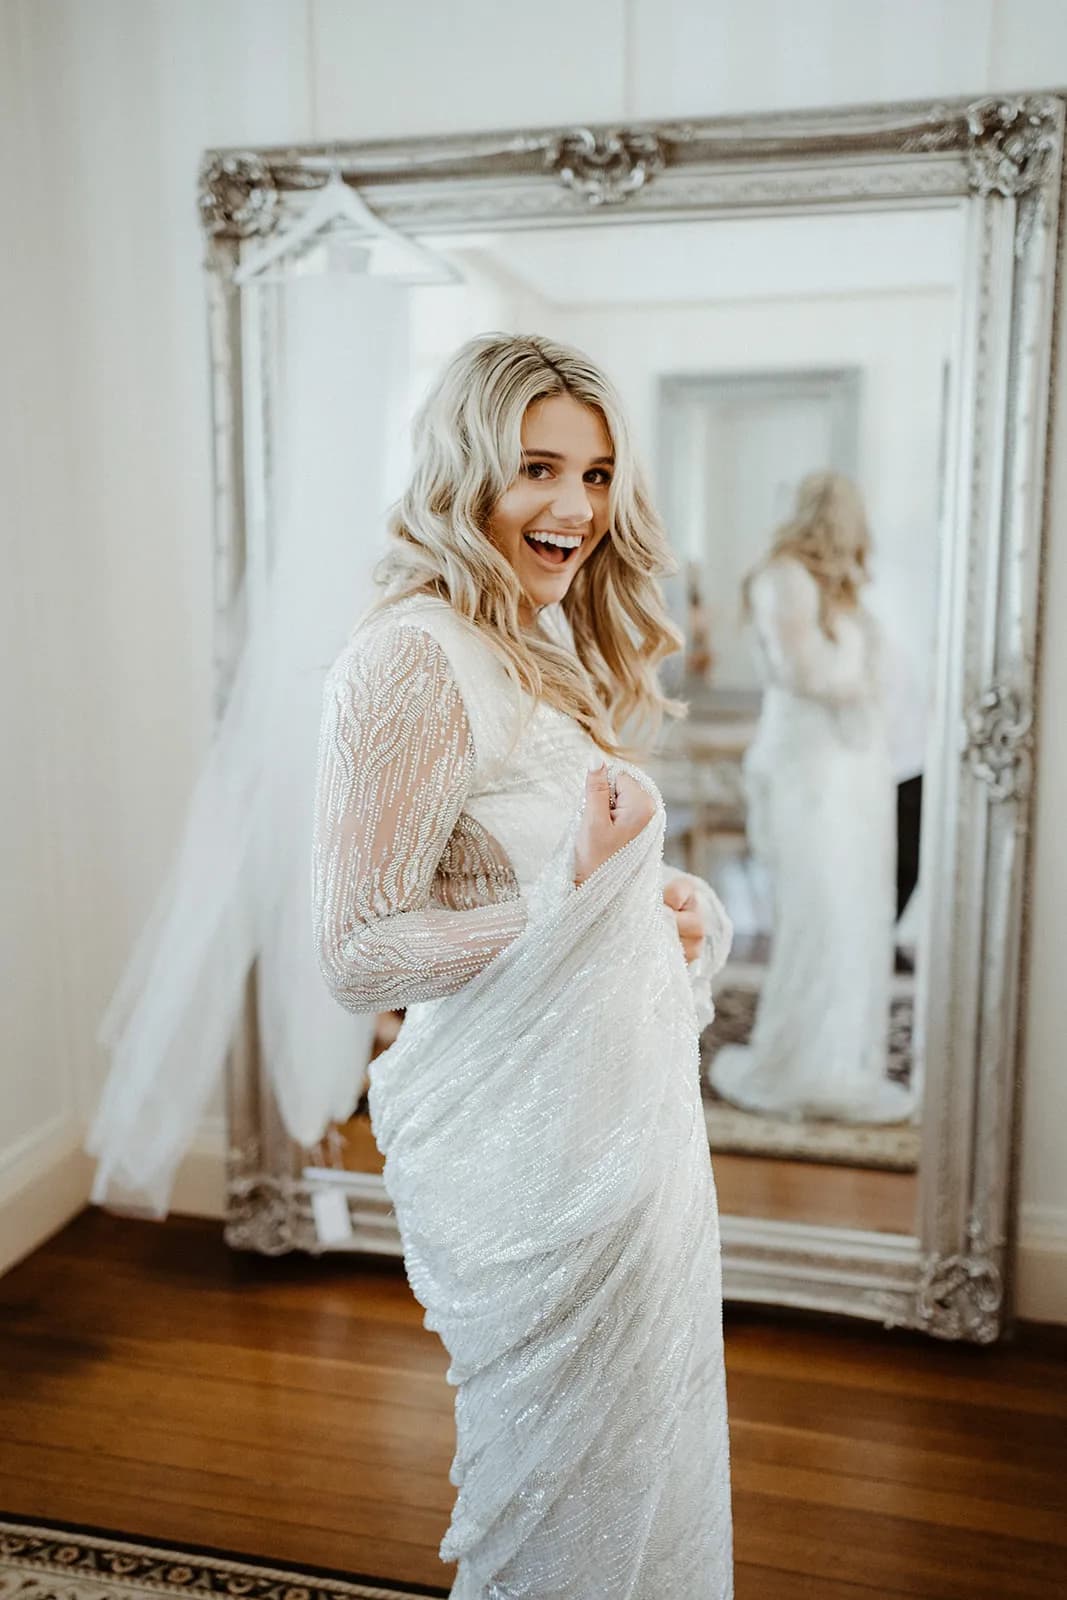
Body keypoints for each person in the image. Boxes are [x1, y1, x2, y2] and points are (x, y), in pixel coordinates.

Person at [312, 333, 735, 1598]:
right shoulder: (410, 656)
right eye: (538, 468)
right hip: (529, 1156)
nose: (576, 510)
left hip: (624, 1133)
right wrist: (572, 903)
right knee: (554, 1497)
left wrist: (652, 907)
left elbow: (543, 883)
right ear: (463, 469)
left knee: (641, 1470)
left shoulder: (528, 647)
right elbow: (356, 950)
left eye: (597, 475)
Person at [708, 471, 913, 1125]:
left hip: (852, 774)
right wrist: (861, 681)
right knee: (815, 912)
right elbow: (803, 672)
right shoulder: (783, 577)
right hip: (807, 773)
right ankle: (799, 1059)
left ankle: (839, 1058)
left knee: (853, 914)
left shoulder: (837, 587)